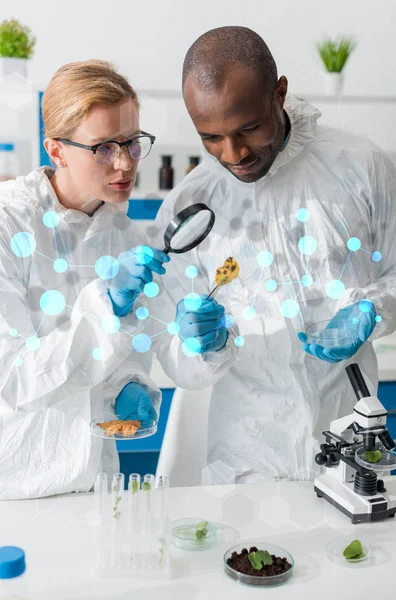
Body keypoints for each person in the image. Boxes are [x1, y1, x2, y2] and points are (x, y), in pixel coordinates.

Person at [154, 26, 396, 484]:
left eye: (249, 128)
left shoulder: (360, 167)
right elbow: (173, 352)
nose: (234, 153)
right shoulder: (192, 204)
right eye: (211, 137)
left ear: (279, 93)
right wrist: (197, 344)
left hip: (350, 443)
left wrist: (374, 308)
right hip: (245, 462)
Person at [0, 60, 235, 500]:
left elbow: (168, 359)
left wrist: (203, 343)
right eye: (103, 148)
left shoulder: (128, 237)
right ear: (56, 150)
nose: (125, 163)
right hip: (12, 491)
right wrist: (105, 306)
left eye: (131, 143)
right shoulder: (5, 223)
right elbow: (9, 379)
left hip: (97, 486)